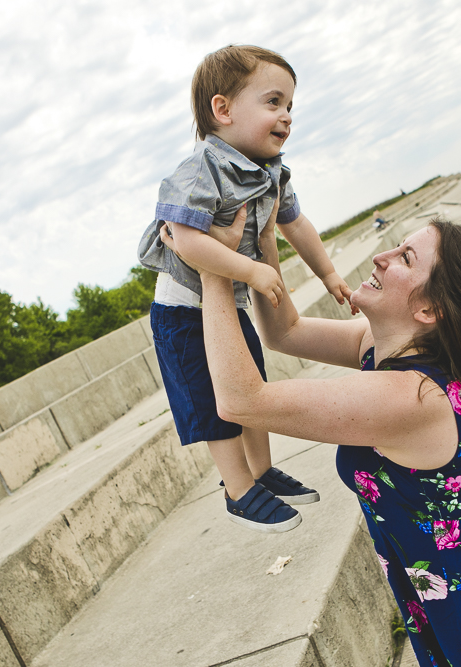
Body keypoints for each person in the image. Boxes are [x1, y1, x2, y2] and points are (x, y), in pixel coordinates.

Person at [167, 201, 461, 665]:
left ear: (429, 309)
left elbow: (241, 402)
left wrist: (212, 270)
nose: (383, 256)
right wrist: (260, 243)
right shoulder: (388, 347)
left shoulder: (409, 398)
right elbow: (286, 333)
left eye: (405, 257)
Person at [137, 45, 353, 533]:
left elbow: (297, 225)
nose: (287, 117)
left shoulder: (274, 172)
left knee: (251, 386)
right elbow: (186, 239)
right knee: (216, 402)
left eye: (291, 106)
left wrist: (329, 275)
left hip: (226, 305)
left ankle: (261, 472)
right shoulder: (201, 170)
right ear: (223, 109)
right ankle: (238, 489)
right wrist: (250, 270)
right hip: (184, 311)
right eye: (273, 102)